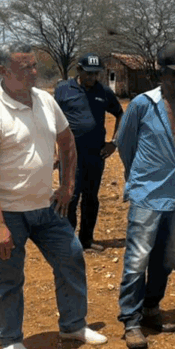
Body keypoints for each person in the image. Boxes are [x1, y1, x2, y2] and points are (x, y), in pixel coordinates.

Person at [0, 43, 107, 349]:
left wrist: (67, 186)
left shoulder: (46, 100)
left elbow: (67, 141)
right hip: (5, 210)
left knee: (71, 256)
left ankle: (73, 324)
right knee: (8, 276)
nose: (33, 73)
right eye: (25, 68)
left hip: (46, 205)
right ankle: (10, 338)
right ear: (3, 72)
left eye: (34, 66)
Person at [114, 43, 175, 349]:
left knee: (166, 257)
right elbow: (124, 143)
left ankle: (151, 307)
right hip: (147, 193)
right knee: (138, 258)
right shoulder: (142, 104)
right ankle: (131, 319)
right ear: (162, 73)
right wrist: (137, 178)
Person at [53, 53, 124, 252]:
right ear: (79, 71)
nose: (92, 77)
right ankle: (67, 242)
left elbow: (120, 115)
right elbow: (50, 121)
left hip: (95, 155)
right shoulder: (63, 91)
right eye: (89, 73)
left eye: (96, 74)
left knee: (91, 198)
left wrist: (114, 143)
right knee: (70, 196)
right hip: (70, 156)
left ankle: (86, 240)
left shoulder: (104, 92)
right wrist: (54, 151)